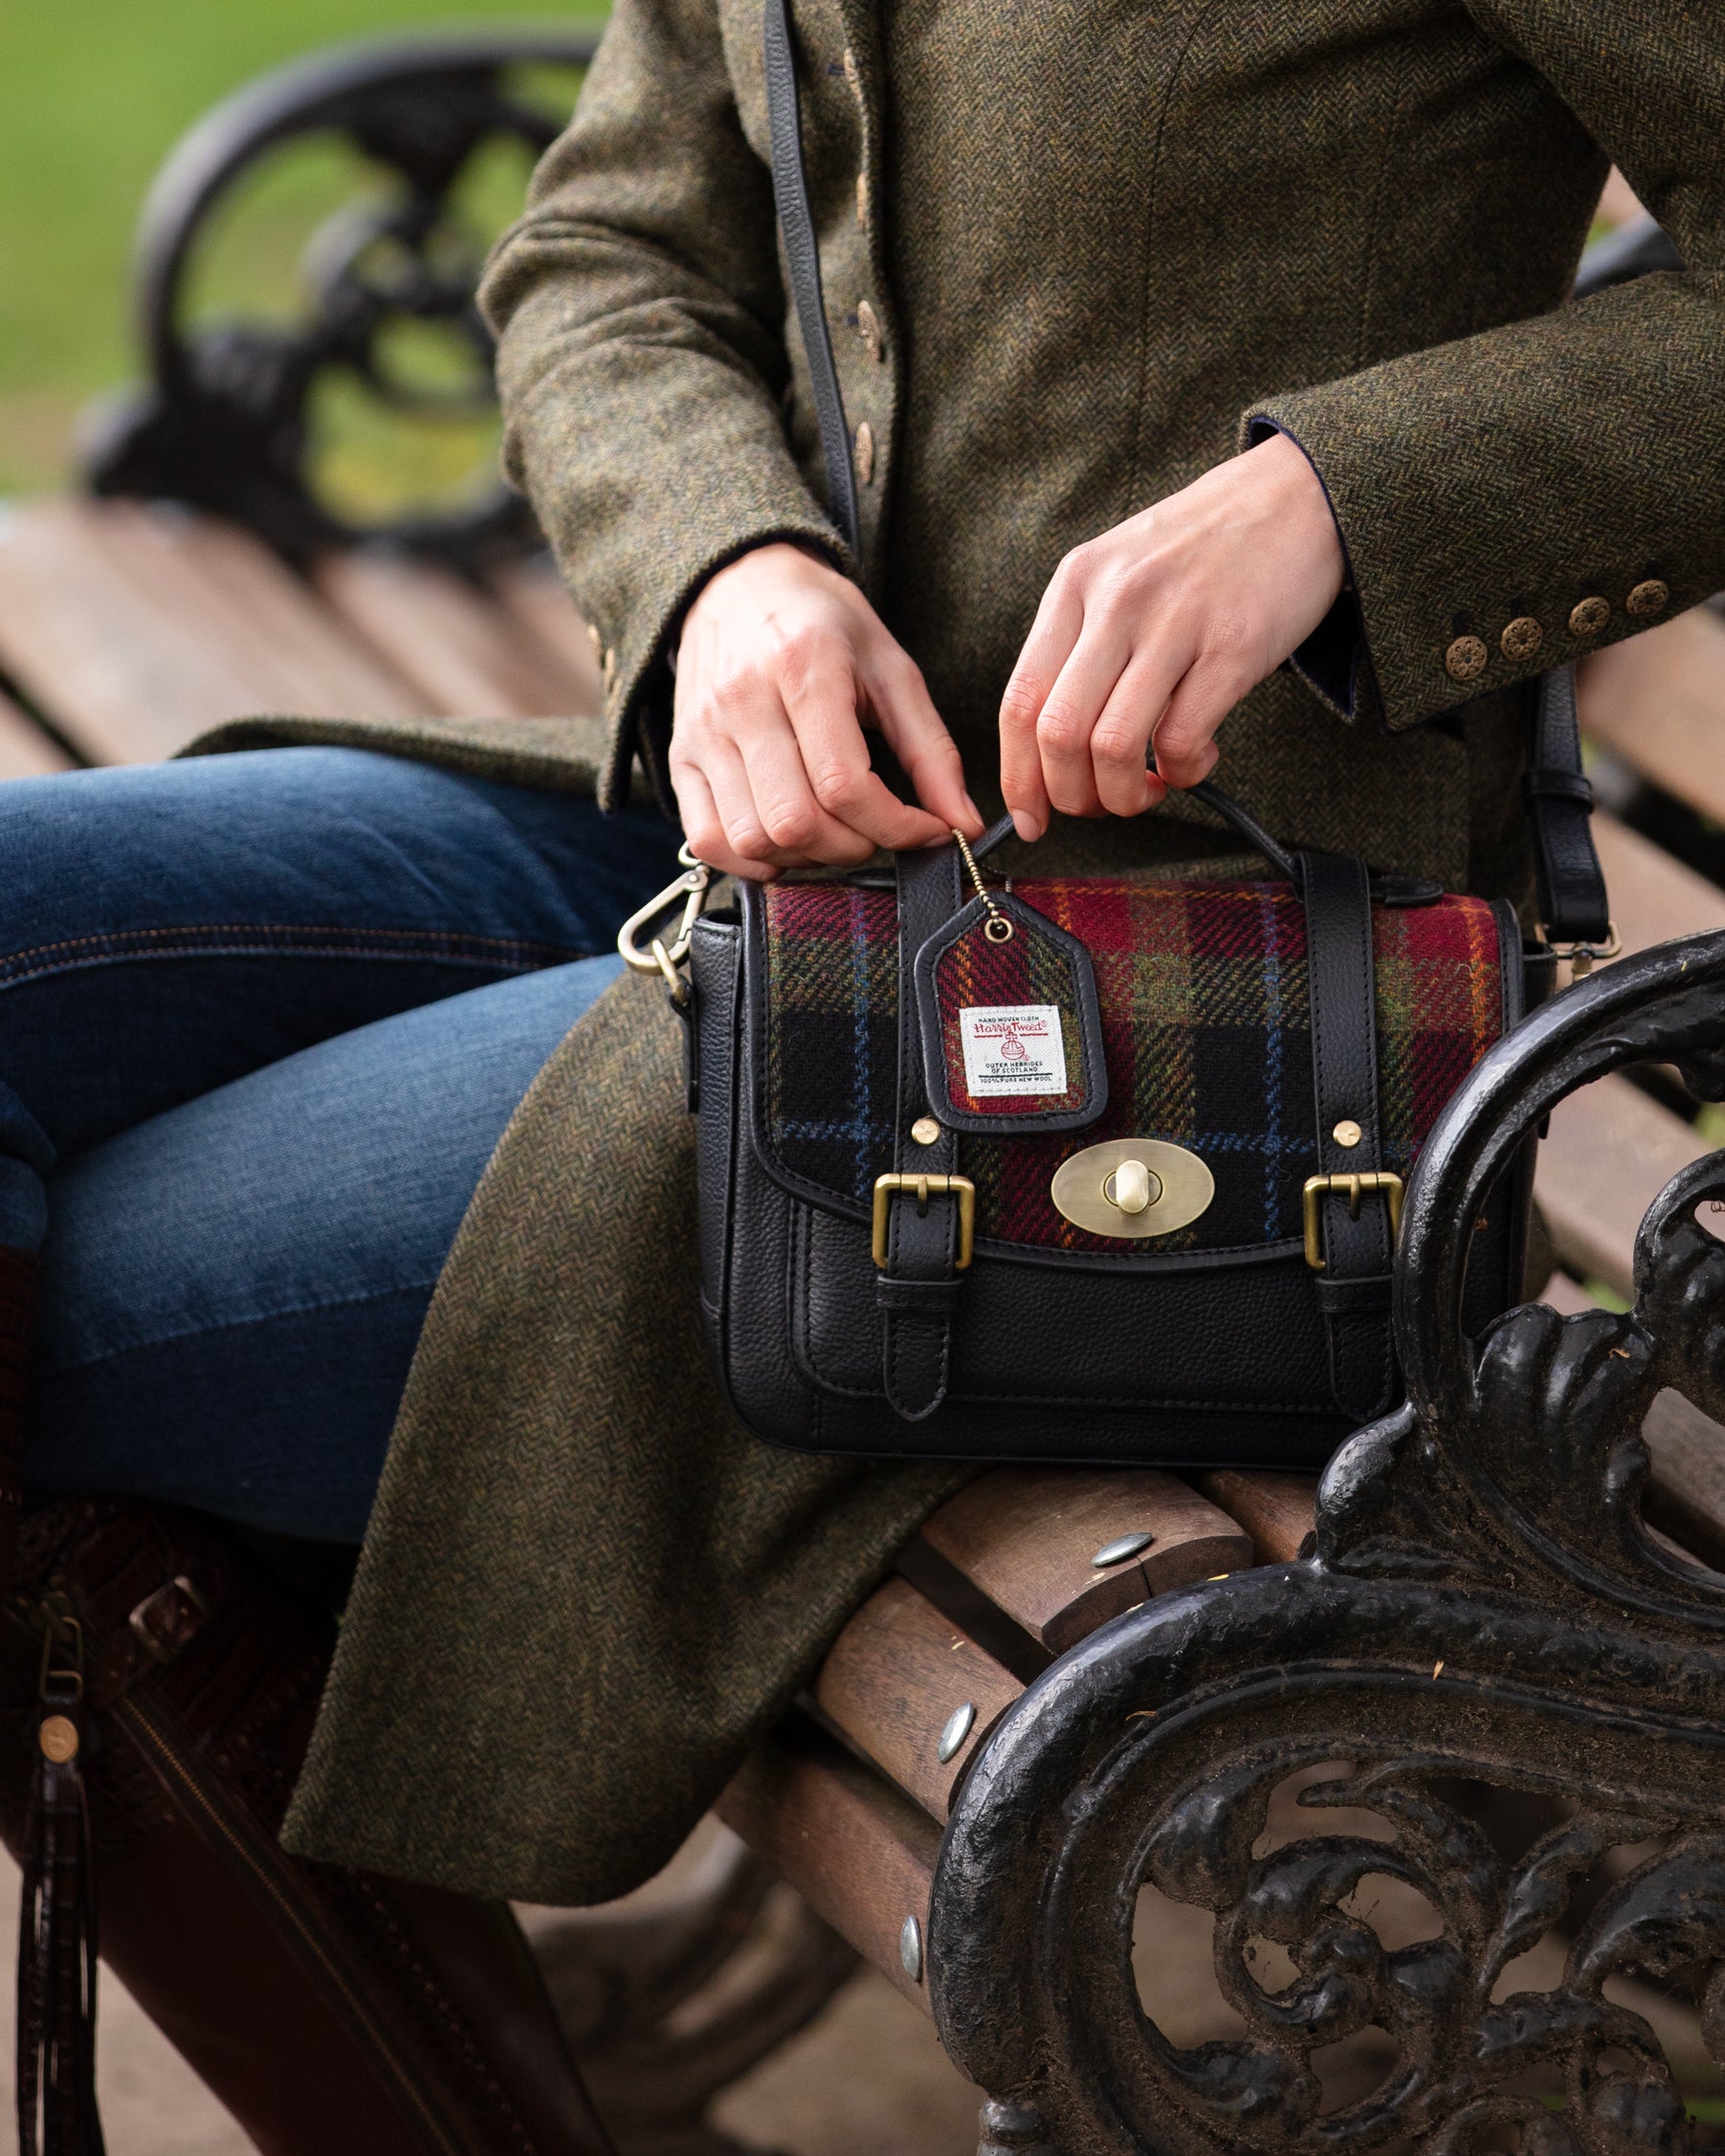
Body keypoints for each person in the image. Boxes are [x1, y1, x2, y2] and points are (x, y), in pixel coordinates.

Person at [0, 1, 1720, 2146]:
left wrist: (1337, 499)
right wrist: (723, 564)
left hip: (1182, 992)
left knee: (47, 1338)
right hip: (714, 815)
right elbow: (604, 249)